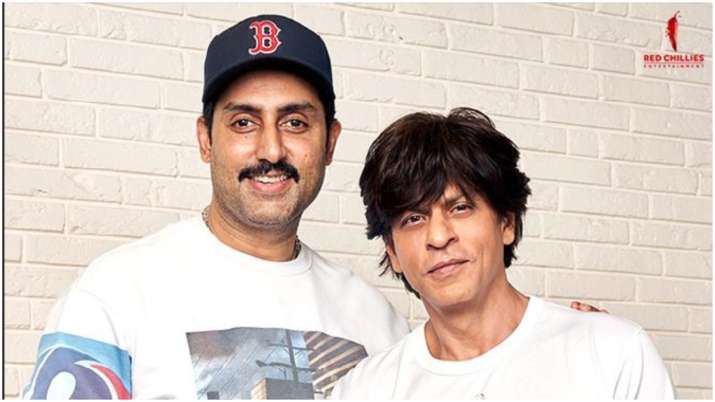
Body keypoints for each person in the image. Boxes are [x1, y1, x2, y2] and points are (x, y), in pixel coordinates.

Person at [23, 15, 408, 400]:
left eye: (294, 123)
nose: (271, 150)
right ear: (205, 139)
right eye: (243, 123)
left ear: (330, 143)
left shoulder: (376, 322)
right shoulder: (114, 294)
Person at [331, 108, 674, 399]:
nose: (438, 236)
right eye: (414, 219)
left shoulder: (612, 352)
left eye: (460, 208)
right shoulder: (364, 390)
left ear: (506, 223)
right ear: (392, 251)